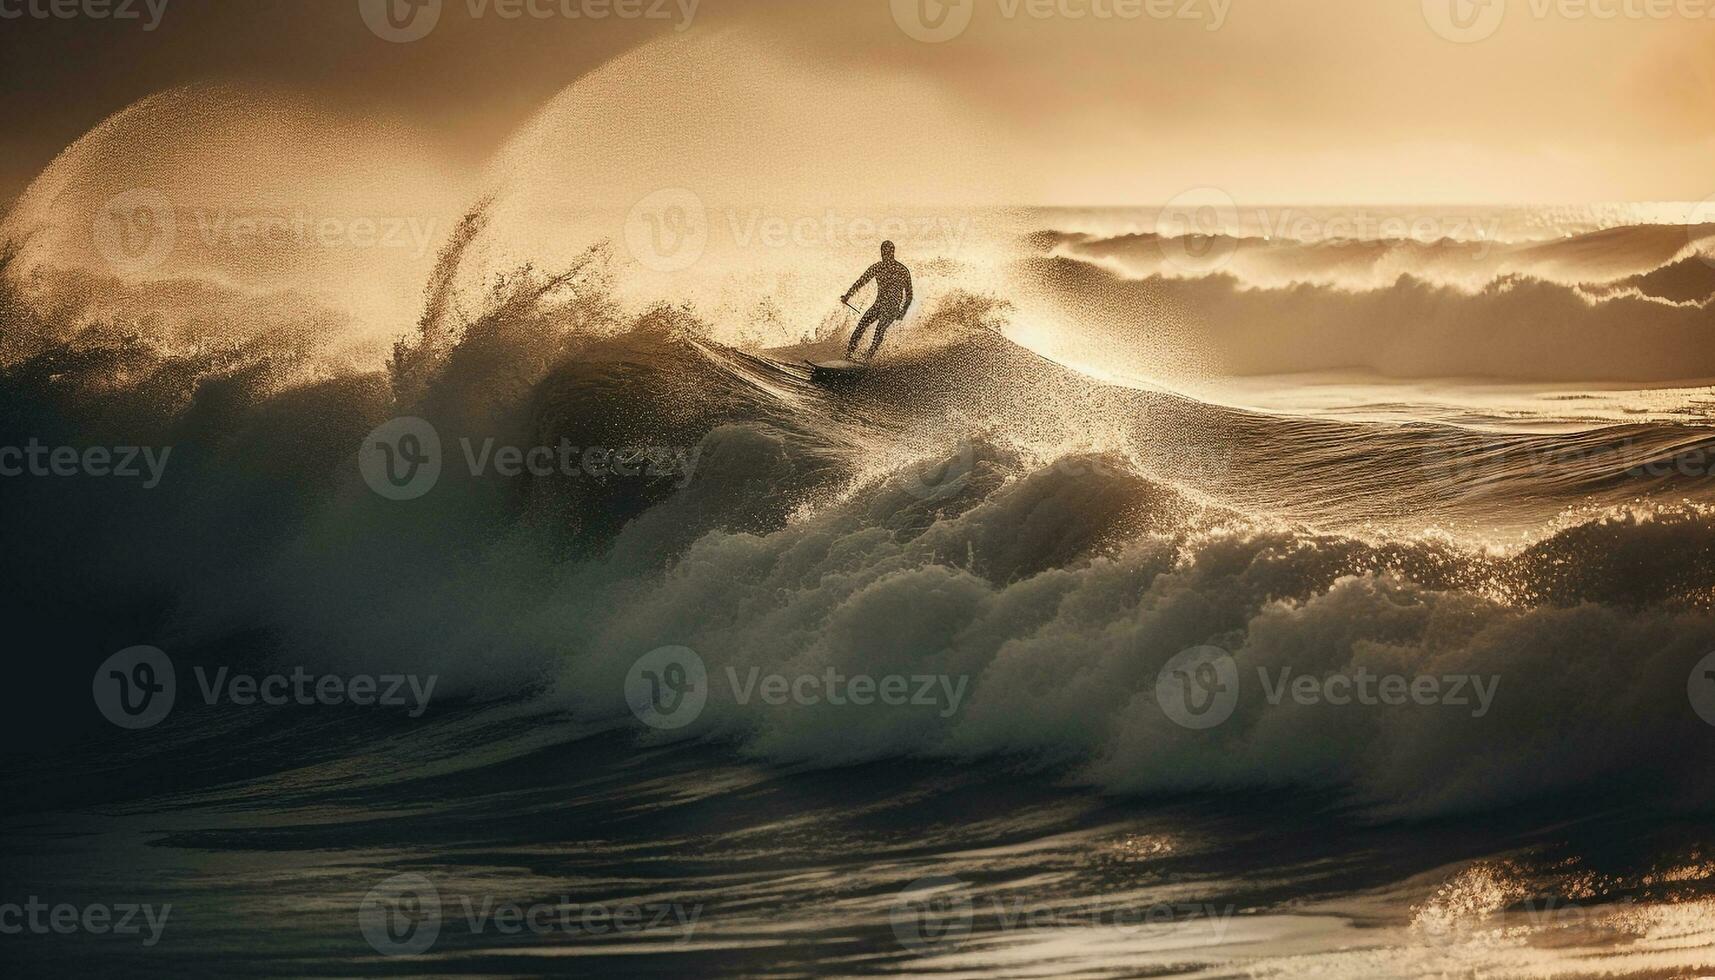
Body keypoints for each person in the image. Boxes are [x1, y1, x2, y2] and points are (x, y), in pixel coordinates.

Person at [842, 241, 914, 362]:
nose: (884, 254)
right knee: (860, 327)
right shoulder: (877, 267)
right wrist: (848, 295)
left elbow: (909, 294)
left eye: (887, 252)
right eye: (883, 252)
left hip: (892, 308)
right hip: (878, 305)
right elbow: (861, 282)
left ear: (892, 252)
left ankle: (867, 359)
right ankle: (848, 356)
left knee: (879, 331)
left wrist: (903, 311)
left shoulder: (902, 270)